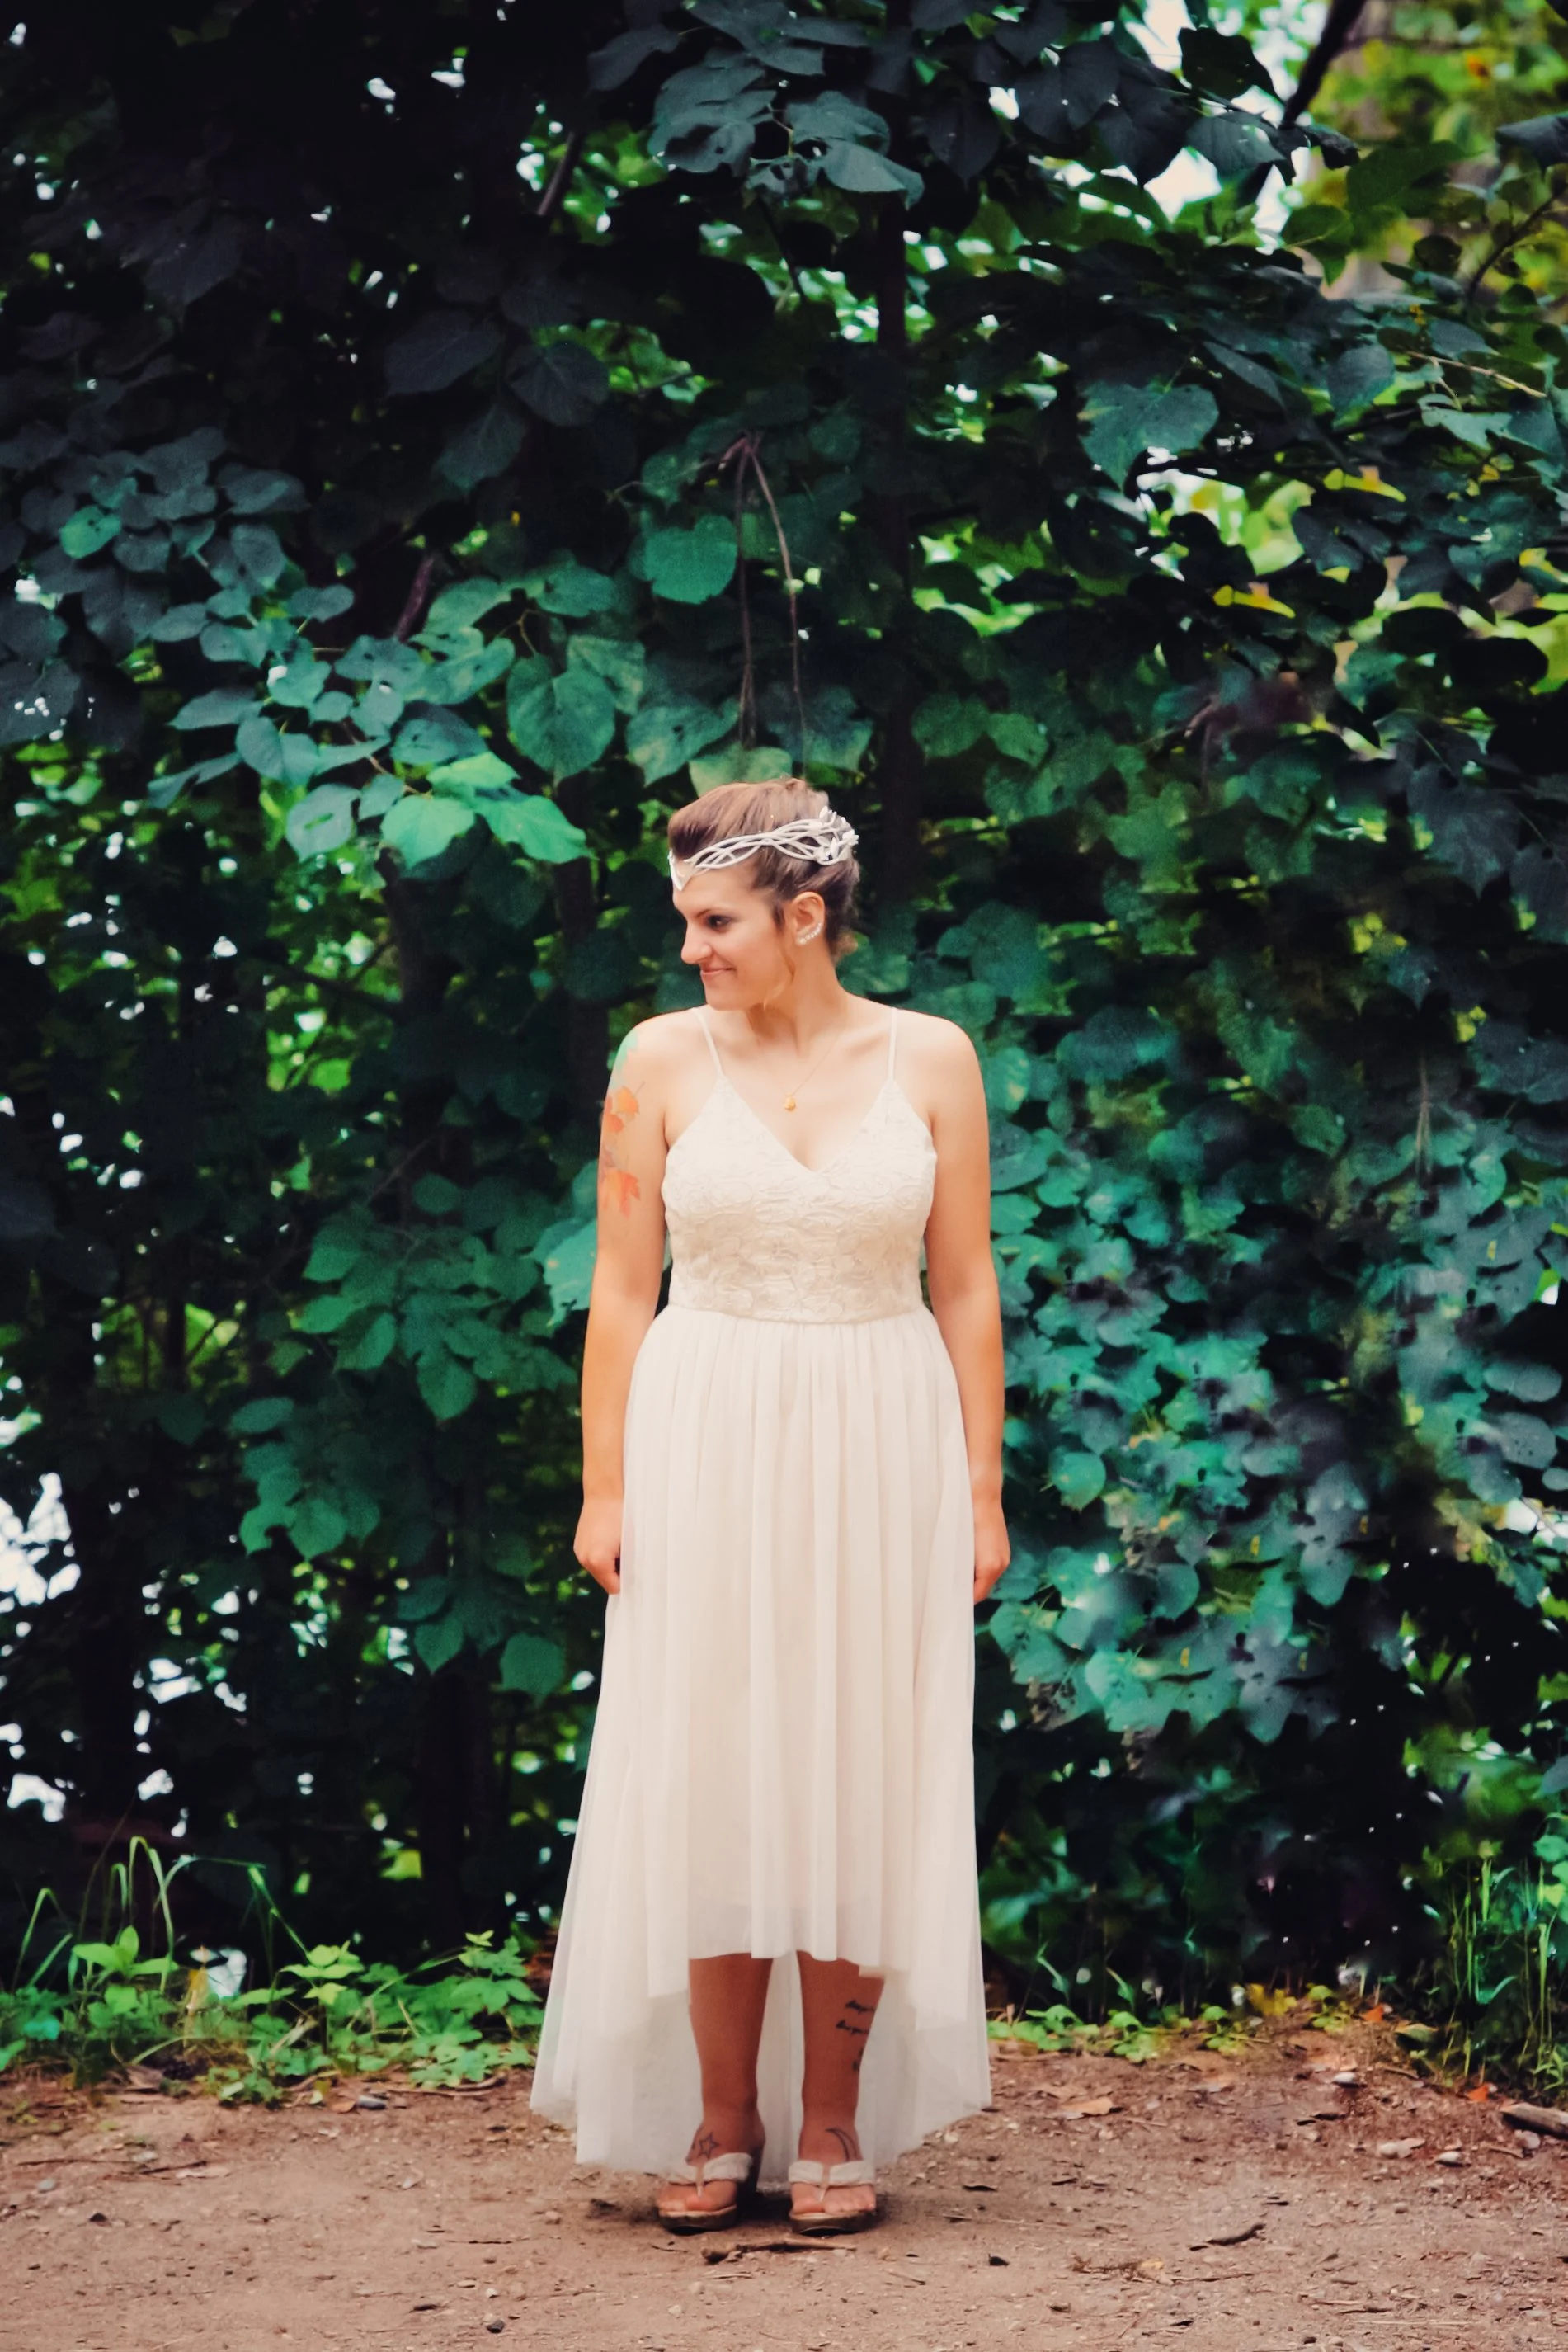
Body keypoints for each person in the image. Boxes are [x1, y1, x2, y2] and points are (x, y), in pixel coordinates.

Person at [530, 776, 1009, 2237]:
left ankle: (833, 2116)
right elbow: (620, 1292)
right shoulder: (657, 1061)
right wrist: (605, 1485)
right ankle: (722, 2113)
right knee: (717, 1760)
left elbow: (968, 1285)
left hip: (881, 1428)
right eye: (685, 921)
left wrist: (981, 1493)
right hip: (707, 1424)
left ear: (806, 917)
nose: (692, 951)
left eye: (716, 921)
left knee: (861, 1763)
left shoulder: (934, 1058)